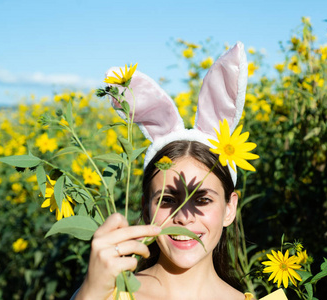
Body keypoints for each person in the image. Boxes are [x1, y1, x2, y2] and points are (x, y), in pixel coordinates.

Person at [73, 42, 256, 299]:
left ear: (229, 209)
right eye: (168, 200)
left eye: (202, 199)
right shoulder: (108, 295)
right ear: (147, 207)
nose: (184, 218)